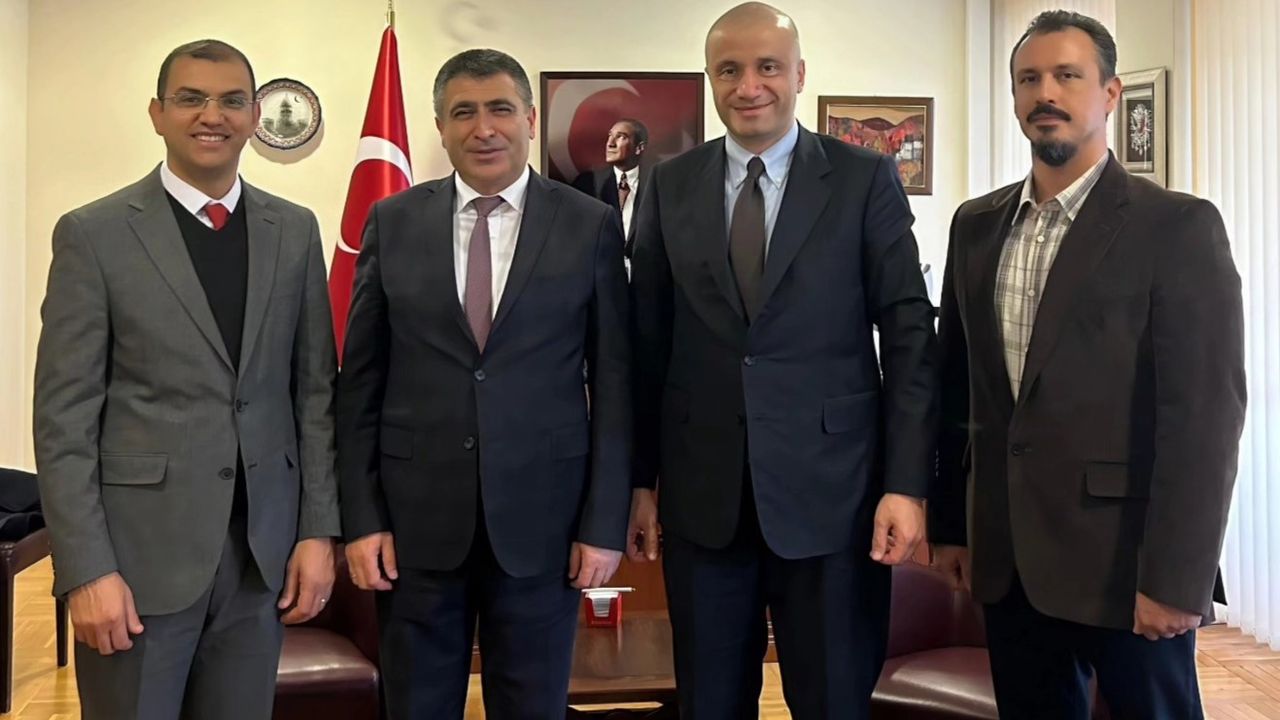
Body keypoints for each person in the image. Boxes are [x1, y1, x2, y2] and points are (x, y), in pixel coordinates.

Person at [931, 11, 1245, 719]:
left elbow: (1204, 419)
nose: (1046, 92)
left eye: (1067, 76)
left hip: (1126, 568)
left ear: (1109, 93)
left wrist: (1178, 579)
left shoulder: (1177, 227)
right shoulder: (974, 226)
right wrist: (953, 525)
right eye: (1028, 79)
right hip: (1009, 566)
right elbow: (959, 390)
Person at [627, 3, 939, 717]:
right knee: (709, 702)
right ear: (711, 79)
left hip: (835, 500)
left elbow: (909, 337)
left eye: (767, 67)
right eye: (729, 70)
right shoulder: (669, 184)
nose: (749, 86)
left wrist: (906, 484)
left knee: (833, 701)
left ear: (799, 75)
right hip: (703, 502)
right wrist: (639, 482)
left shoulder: (864, 178)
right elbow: (645, 346)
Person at [33, 39, 339, 720]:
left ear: (255, 115)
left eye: (232, 100)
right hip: (137, 566)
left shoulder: (294, 231)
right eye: (191, 98)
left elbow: (315, 394)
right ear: (157, 113)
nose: (212, 115)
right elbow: (63, 422)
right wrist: (86, 569)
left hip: (260, 563)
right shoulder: (94, 235)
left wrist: (318, 532)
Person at [336, 48, 632, 719]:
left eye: (500, 109)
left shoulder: (587, 224)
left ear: (529, 119)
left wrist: (603, 524)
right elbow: (360, 385)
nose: (484, 128)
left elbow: (615, 386)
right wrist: (362, 518)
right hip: (413, 530)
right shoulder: (392, 221)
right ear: (441, 127)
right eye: (463, 113)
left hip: (545, 525)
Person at [572, 118, 649, 258]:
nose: (610, 144)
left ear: (639, 148)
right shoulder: (587, 183)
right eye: (610, 136)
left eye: (621, 137)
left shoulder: (656, 185)